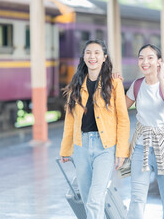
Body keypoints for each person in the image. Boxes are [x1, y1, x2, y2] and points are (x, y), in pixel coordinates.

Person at [59, 39, 130, 219]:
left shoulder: (114, 84)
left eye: (97, 53)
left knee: (95, 199)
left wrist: (122, 152)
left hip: (105, 147)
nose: (92, 56)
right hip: (81, 145)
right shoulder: (76, 84)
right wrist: (66, 149)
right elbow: (70, 120)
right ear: (83, 57)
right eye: (88, 52)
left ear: (104, 58)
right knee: (86, 197)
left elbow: (123, 119)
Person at [125, 44, 164, 219]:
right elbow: (118, 110)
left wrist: (161, 78)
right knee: (136, 197)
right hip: (140, 148)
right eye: (141, 58)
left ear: (159, 62)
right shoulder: (136, 85)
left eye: (150, 58)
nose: (145, 62)